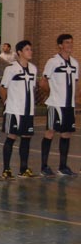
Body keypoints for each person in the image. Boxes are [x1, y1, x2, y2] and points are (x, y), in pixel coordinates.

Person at [39, 33, 78, 176]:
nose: (70, 45)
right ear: (60, 45)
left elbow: (76, 83)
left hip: (69, 105)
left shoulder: (75, 63)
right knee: (50, 132)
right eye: (67, 42)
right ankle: (44, 167)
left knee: (66, 134)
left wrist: (75, 100)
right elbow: (43, 82)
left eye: (71, 42)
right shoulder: (53, 61)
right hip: (55, 104)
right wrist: (52, 93)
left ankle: (63, 167)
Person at [0, 40, 38, 179]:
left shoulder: (33, 69)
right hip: (14, 110)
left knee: (26, 138)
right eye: (27, 49)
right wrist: (7, 103)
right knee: (11, 137)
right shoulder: (11, 68)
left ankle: (23, 168)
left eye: (31, 49)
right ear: (19, 52)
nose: (30, 51)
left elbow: (32, 88)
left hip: (28, 111)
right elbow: (3, 88)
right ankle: (6, 169)